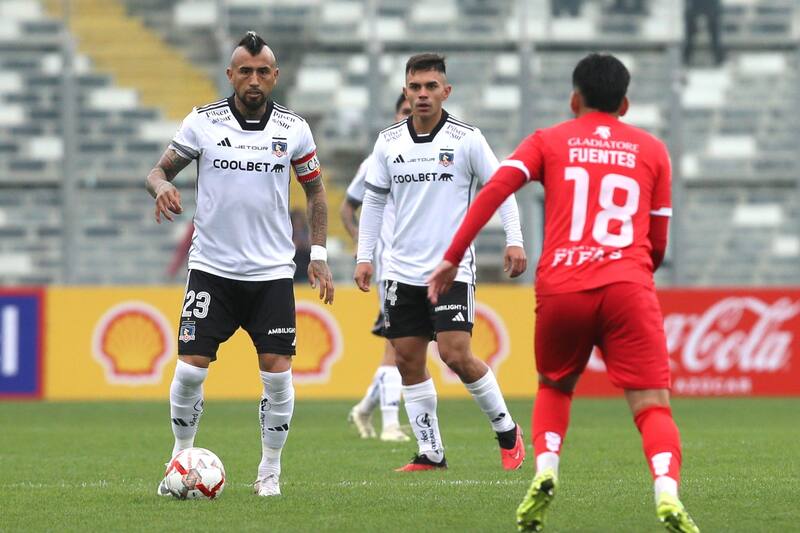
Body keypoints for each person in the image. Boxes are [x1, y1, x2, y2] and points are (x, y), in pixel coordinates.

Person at [428, 53, 698, 532]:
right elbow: (657, 246)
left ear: (574, 99)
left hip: (562, 287)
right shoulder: (652, 150)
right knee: (652, 403)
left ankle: (547, 469)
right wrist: (633, 272)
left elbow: (495, 189)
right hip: (627, 287)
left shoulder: (548, 141)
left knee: (555, 386)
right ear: (626, 103)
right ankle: (666, 492)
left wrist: (453, 255)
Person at [146, 31, 334, 498]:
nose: (254, 80)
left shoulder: (293, 129)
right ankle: (180, 458)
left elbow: (315, 192)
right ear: (230, 75)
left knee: (278, 374)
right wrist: (161, 188)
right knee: (190, 370)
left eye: (262, 72)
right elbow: (157, 170)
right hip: (211, 269)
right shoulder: (203, 123)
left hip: (271, 273)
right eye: (245, 71)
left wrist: (319, 255)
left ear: (275, 77)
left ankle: (269, 470)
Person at [354, 53, 528, 472]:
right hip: (399, 272)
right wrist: (364, 256)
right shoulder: (389, 142)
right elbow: (374, 199)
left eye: (431, 87)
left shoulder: (467, 139)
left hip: (449, 270)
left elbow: (501, 187)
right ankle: (431, 451)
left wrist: (515, 240)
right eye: (415, 87)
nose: (423, 94)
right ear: (405, 91)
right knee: (408, 360)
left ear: (446, 91)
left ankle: (507, 431)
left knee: (455, 354)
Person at [341, 93, 412, 442]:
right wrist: (362, 246)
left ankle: (366, 409)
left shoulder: (434, 158)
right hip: (389, 266)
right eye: (404, 111)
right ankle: (391, 424)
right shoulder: (378, 160)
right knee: (396, 344)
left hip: (421, 263)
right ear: (396, 114)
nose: (409, 116)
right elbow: (347, 208)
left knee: (408, 345)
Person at [684, 0, 724, 66]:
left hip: (706, 4)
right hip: (702, 4)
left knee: (715, 36)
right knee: (689, 36)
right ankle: (685, 60)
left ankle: (719, 60)